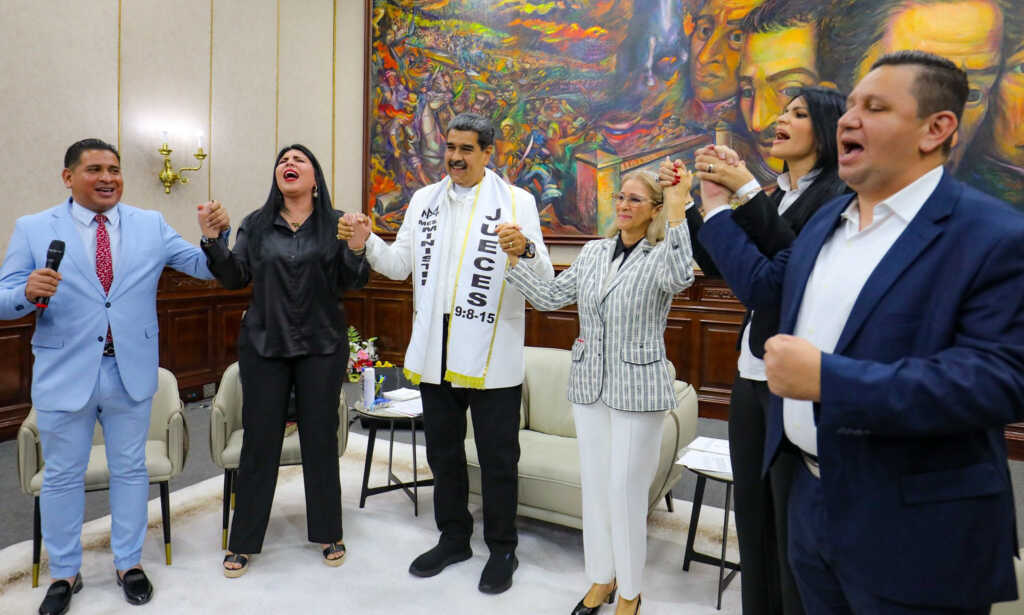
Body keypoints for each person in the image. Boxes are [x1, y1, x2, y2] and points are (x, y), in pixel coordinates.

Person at [696, 50, 1024, 613]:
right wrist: (713, 206)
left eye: (874, 107)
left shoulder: (992, 236)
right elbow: (768, 289)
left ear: (936, 129)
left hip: (913, 528)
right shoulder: (828, 219)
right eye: (850, 106)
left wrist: (831, 381)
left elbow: (1000, 382)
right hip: (808, 500)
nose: (848, 119)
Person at [0, 138, 221, 614]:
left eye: (114, 169)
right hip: (65, 372)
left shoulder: (150, 224)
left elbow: (205, 268)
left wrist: (211, 238)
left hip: (130, 371)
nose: (107, 178)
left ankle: (128, 563)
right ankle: (64, 572)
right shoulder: (35, 228)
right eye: (95, 169)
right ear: (68, 177)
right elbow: (5, 297)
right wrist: (26, 292)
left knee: (130, 469)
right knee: (62, 476)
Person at [341, 112, 553, 594]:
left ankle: (502, 548)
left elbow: (543, 280)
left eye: (465, 149)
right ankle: (454, 537)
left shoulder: (516, 202)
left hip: (492, 355)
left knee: (498, 458)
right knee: (442, 453)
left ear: (487, 152)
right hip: (436, 350)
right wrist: (367, 242)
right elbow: (400, 265)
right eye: (450, 147)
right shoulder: (424, 201)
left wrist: (526, 250)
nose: (454, 157)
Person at [663, 84, 846, 615]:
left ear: (828, 130)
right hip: (750, 373)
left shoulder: (835, 197)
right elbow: (720, 262)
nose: (780, 120)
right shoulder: (775, 195)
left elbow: (785, 273)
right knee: (751, 519)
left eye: (798, 113)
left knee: (788, 531)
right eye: (783, 111)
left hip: (795, 380)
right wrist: (695, 202)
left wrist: (740, 190)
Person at [497, 168, 695, 615]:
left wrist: (680, 207)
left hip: (638, 390)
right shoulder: (593, 252)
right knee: (597, 489)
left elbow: (681, 275)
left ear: (655, 210)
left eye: (635, 200)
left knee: (625, 492)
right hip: (589, 385)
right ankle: (601, 578)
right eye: (621, 197)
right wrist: (517, 258)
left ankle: (630, 591)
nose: (623, 205)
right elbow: (550, 297)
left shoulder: (662, 255)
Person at [197, 144, 369, 577]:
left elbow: (352, 282)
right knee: (260, 442)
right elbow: (234, 277)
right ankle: (243, 541)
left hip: (322, 347)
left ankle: (329, 531)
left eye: (299, 160)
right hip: (264, 346)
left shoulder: (336, 223)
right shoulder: (256, 224)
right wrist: (212, 241)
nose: (288, 164)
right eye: (282, 160)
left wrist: (357, 247)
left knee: (320, 440)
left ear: (315, 178)